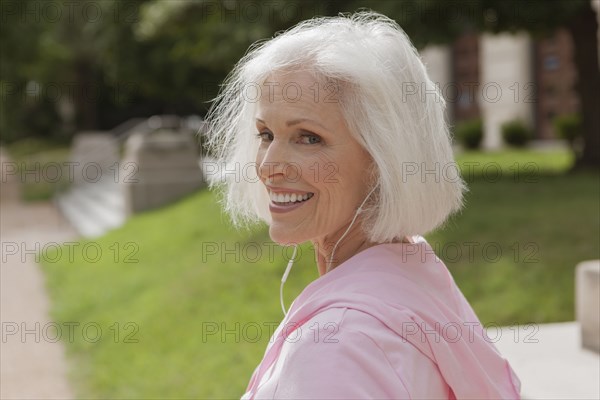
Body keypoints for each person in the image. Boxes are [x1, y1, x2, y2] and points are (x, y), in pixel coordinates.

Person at [205, 11, 521, 400]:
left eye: (308, 138)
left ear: (381, 159)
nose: (269, 166)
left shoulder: (336, 344)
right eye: (266, 133)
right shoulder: (414, 272)